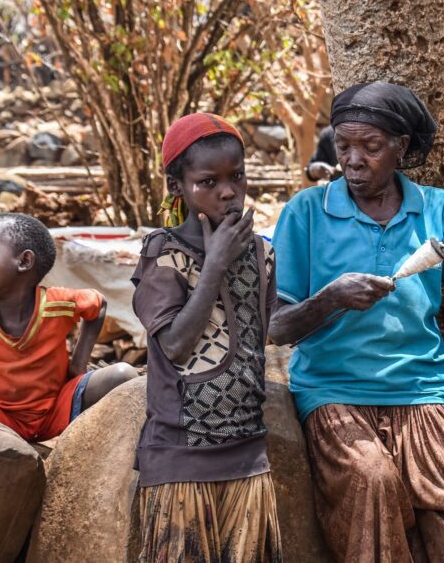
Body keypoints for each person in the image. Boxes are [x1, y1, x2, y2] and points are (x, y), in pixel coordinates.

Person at [270, 81, 444, 562]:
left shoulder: (439, 209)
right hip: (334, 393)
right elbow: (277, 327)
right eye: (344, 145)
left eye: (370, 147)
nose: (353, 159)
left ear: (401, 148)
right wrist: (330, 299)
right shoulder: (307, 212)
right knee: (370, 482)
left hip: (421, 393)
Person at [131, 112, 282, 563]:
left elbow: (268, 332)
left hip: (249, 452)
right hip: (180, 456)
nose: (228, 192)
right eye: (207, 182)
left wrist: (331, 301)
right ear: (178, 187)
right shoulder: (163, 253)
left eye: (237, 177)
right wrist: (214, 264)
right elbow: (174, 345)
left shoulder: (261, 253)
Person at [0, 213, 137, 441]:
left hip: (59, 407)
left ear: (25, 261)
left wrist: (78, 363)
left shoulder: (58, 303)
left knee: (122, 374)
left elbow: (98, 305)